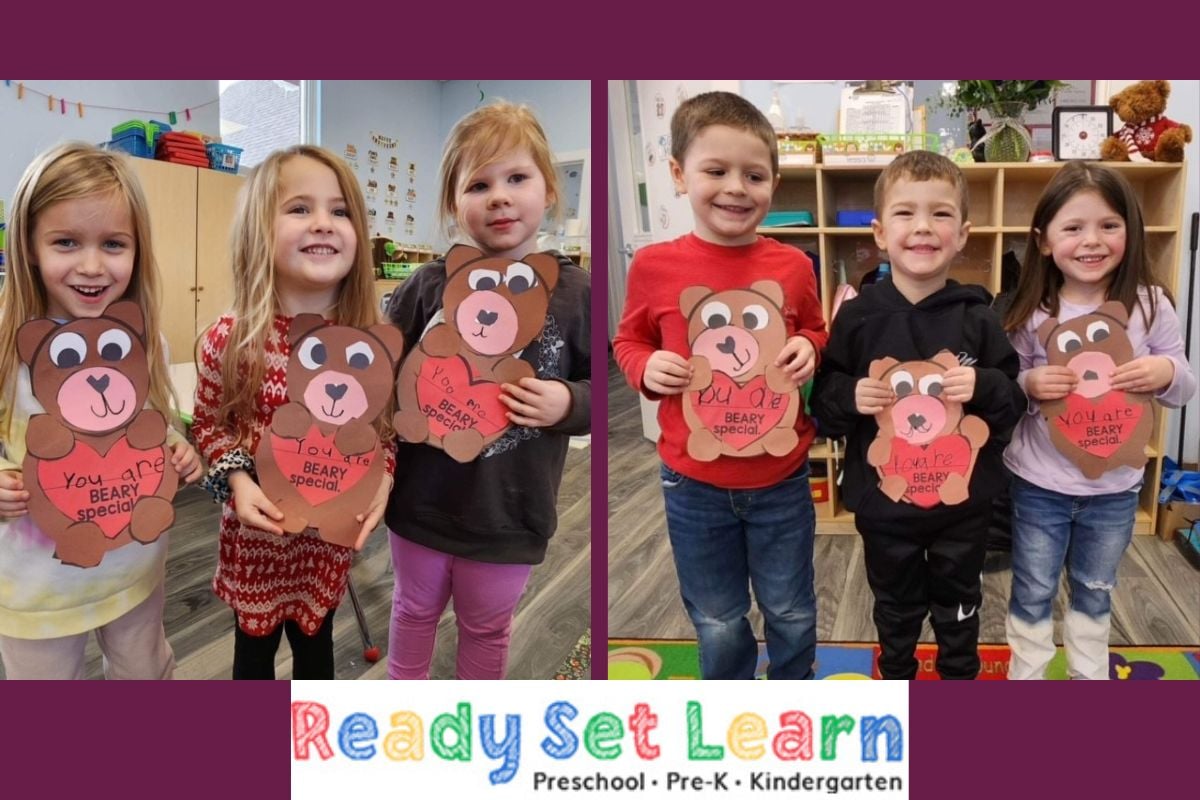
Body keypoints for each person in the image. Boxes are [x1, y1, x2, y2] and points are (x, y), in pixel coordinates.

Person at [614, 91, 827, 679]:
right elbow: (629, 342)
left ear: (774, 183)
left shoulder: (793, 266)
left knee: (789, 606)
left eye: (754, 175)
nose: (736, 187)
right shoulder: (654, 267)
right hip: (692, 481)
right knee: (716, 614)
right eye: (716, 170)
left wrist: (809, 345)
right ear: (680, 175)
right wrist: (644, 369)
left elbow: (815, 326)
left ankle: (793, 689)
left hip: (781, 476)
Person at [384, 101, 590, 679]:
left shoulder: (576, 292)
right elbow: (381, 377)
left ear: (548, 189)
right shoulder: (428, 284)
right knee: (412, 610)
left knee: (486, 629)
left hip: (509, 515)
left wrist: (569, 402)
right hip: (420, 503)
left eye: (516, 178)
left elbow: (611, 389)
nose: (498, 196)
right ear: (455, 204)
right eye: (478, 183)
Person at [810, 150, 1024, 680]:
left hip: (963, 503)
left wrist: (983, 384)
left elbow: (1012, 403)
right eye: (906, 213)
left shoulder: (980, 316)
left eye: (941, 214)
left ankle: (958, 674)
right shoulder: (857, 317)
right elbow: (824, 404)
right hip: (884, 503)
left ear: (964, 233)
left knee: (960, 602)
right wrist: (850, 396)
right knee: (895, 604)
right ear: (881, 232)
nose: (923, 227)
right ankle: (897, 679)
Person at [0, 142, 203, 679]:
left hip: (132, 569)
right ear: (29, 246)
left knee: (145, 673)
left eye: (113, 244)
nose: (92, 266)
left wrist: (178, 451)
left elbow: (156, 423)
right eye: (66, 242)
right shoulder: (3, 345)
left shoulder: (141, 341)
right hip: (35, 589)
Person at [191, 145, 393, 679]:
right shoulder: (231, 339)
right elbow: (209, 427)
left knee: (316, 647)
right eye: (300, 208)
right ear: (260, 229)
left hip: (326, 545)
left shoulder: (367, 343)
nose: (324, 223)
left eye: (340, 210)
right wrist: (236, 480)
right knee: (253, 658)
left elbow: (384, 433)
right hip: (257, 541)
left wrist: (384, 481)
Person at [1002, 161, 1196, 680]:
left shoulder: (1151, 305)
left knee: (1095, 585)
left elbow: (1183, 386)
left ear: (1131, 230)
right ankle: (1028, 675)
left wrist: (1163, 370)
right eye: (1073, 227)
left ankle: (1089, 677)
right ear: (1044, 241)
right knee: (1034, 585)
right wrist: (1029, 384)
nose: (1092, 241)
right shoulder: (1034, 309)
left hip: (1115, 487)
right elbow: (1009, 380)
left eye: (1109, 225)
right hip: (1039, 482)